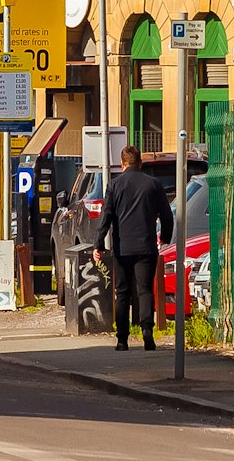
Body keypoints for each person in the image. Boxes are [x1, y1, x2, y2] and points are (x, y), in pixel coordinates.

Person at [92, 146, 173, 352]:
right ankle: (147, 331)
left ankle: (122, 339)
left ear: (122, 163)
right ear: (140, 163)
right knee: (145, 290)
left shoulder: (115, 185)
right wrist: (164, 237)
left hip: (122, 248)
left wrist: (98, 244)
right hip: (146, 247)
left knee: (123, 292)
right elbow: (167, 214)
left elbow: (106, 216)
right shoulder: (153, 185)